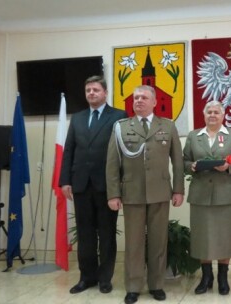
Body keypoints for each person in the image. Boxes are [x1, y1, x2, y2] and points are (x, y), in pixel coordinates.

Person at [105, 85, 185, 304]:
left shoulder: (167, 126)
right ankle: (133, 286)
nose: (138, 100)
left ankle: (157, 285)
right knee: (134, 243)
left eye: (143, 97)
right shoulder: (121, 127)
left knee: (159, 242)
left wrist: (178, 190)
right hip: (132, 193)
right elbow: (112, 164)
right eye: (136, 97)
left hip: (160, 192)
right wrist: (113, 194)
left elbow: (177, 161)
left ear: (154, 101)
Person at [59, 75, 127, 294]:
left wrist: (120, 186)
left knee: (106, 235)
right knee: (85, 234)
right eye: (88, 90)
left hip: (107, 186)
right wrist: (65, 180)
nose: (91, 93)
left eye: (96, 90)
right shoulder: (77, 118)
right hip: (80, 185)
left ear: (105, 92)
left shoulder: (118, 116)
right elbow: (69, 149)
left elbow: (122, 151)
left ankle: (105, 278)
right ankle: (86, 277)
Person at [183, 100, 231, 296]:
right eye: (209, 112)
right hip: (200, 194)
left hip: (226, 194)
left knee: (224, 237)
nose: (212, 115)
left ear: (223, 115)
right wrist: (192, 166)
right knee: (202, 237)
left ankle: (222, 277)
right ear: (204, 115)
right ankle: (206, 277)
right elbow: (184, 160)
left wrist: (228, 167)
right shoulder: (194, 136)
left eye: (216, 112)